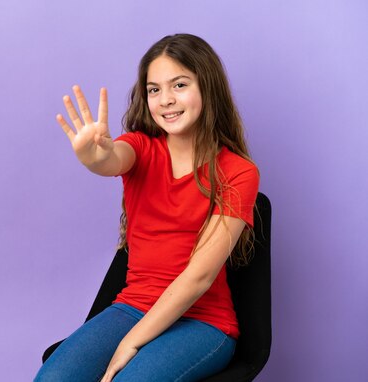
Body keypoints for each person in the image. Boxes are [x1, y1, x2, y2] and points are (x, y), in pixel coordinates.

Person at [34, 33, 259, 382]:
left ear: (208, 87)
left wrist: (132, 343)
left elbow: (198, 277)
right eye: (154, 90)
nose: (166, 100)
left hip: (204, 323)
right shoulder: (140, 148)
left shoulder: (238, 172)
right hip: (132, 307)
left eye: (179, 85)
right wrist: (95, 157)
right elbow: (112, 159)